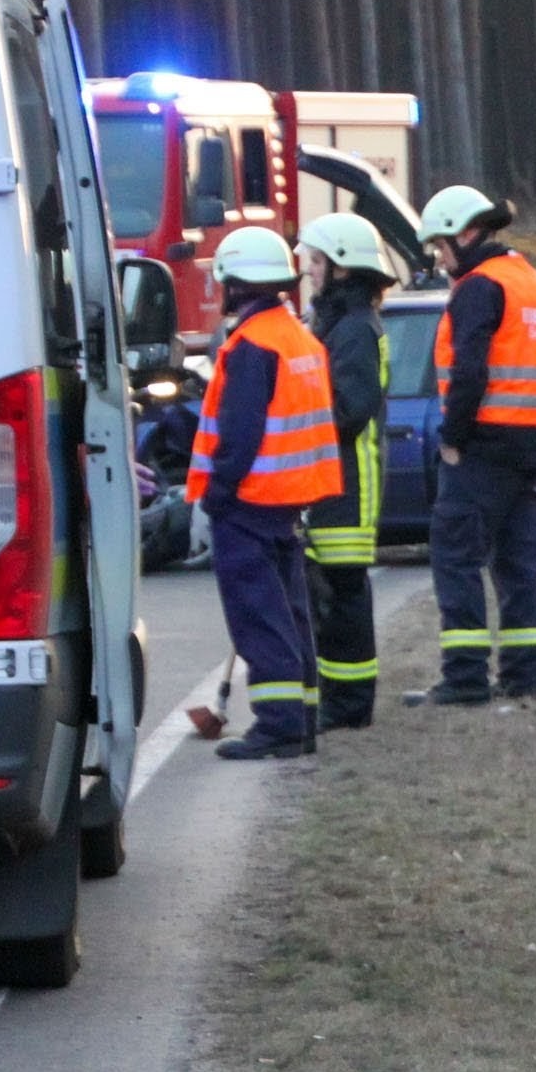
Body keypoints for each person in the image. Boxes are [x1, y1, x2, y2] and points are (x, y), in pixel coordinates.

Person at [186, 226, 345, 760]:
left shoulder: (253, 345)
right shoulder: (298, 336)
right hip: (288, 498)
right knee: (289, 611)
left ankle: (278, 726)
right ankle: (300, 720)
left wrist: (217, 494)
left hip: (250, 499)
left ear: (236, 283)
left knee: (260, 615)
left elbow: (239, 435)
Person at [405, 185, 536, 708]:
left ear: (466, 235)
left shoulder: (479, 286)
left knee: (455, 557)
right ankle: (522, 679)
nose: (439, 258)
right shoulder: (532, 283)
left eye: (440, 246)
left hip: (483, 445)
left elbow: (471, 369)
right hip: (530, 445)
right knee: (517, 571)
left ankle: (465, 677)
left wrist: (452, 437)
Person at [295, 212, 393, 729]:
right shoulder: (339, 323)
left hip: (348, 483)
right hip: (332, 479)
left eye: (315, 260)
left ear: (341, 268)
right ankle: (340, 699)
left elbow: (349, 411)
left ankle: (350, 705)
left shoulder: (353, 329)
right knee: (332, 594)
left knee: (344, 594)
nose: (309, 270)